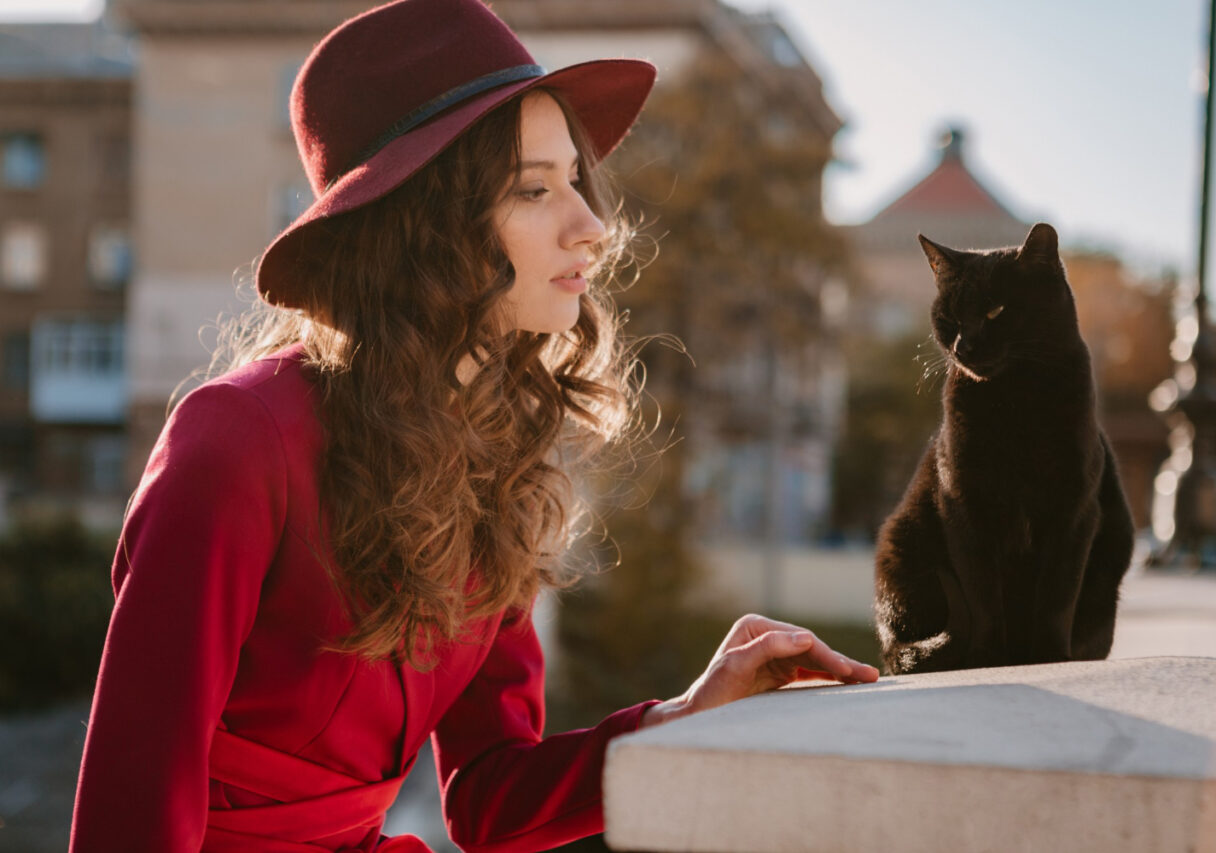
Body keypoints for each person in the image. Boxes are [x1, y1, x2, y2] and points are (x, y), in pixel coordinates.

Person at [68, 1, 879, 850]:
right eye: (535, 189)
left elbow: (488, 792)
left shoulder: (497, 460)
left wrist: (690, 713)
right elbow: (131, 807)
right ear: (425, 223)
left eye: (575, 179)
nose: (592, 225)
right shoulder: (237, 439)